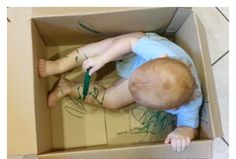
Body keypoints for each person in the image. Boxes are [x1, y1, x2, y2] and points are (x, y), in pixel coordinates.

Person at [38, 32, 202, 152]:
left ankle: (67, 87)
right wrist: (102, 59)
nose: (130, 89)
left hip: (143, 78)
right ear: (163, 57)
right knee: (109, 45)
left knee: (112, 101)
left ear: (172, 109)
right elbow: (131, 42)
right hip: (134, 53)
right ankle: (60, 64)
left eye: (137, 99)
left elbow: (189, 127)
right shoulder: (161, 53)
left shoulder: (189, 106)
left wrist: (181, 134)